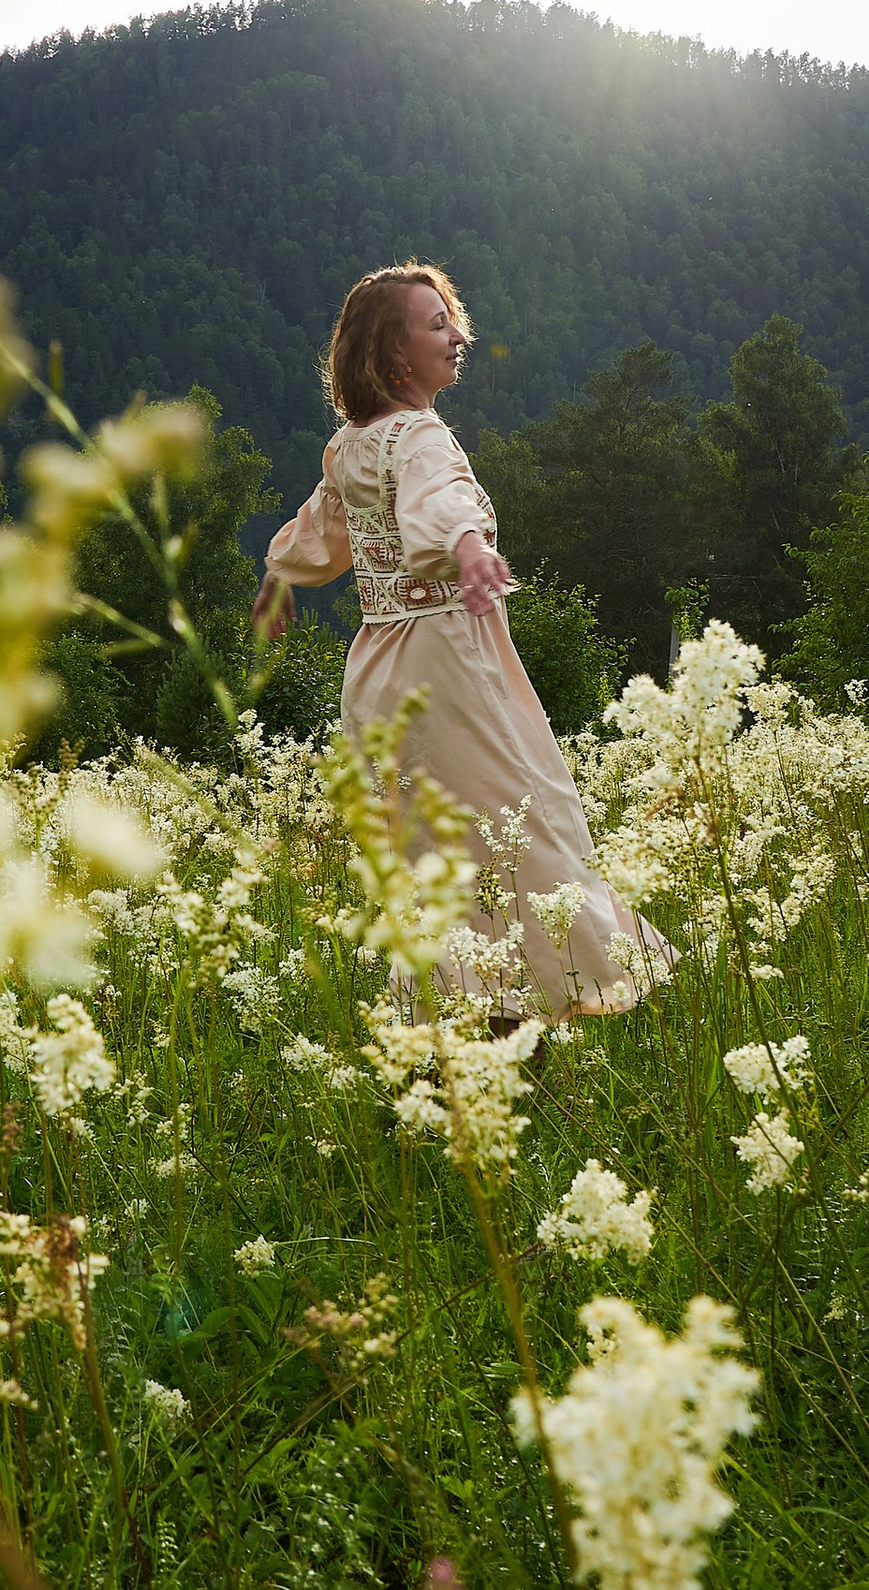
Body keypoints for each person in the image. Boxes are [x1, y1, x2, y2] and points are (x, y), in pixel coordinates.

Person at [252, 262, 675, 1021]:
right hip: (445, 666)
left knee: (429, 855)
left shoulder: (351, 445)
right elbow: (436, 499)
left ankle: (451, 1021)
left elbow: (320, 529)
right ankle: (522, 1013)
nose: (455, 335)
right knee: (513, 829)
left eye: (451, 318)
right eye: (434, 323)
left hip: (378, 675)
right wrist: (470, 545)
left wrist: (278, 577)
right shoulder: (419, 436)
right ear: (391, 356)